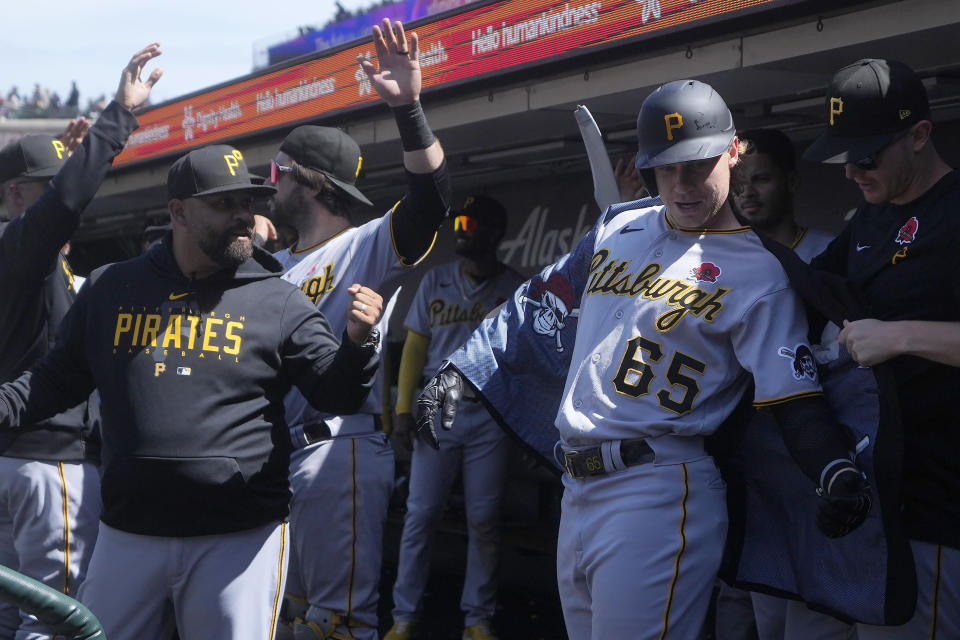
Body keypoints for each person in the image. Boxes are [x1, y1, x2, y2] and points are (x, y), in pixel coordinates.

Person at [416, 79, 872, 640]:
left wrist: (831, 465)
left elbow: (792, 394)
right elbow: (540, 298)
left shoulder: (763, 272)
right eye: (664, 168)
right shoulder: (618, 225)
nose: (680, 184)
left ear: (733, 151)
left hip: (659, 486)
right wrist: (462, 368)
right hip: (577, 484)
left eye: (697, 164)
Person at [267, 18, 450, 640]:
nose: (272, 184)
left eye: (279, 172)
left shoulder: (365, 245)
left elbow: (430, 202)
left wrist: (408, 109)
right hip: (285, 453)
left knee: (336, 622)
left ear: (312, 183)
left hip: (338, 447)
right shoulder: (280, 263)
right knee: (287, 618)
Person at [804, 58, 960, 640]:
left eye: (866, 156)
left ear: (919, 135)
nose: (851, 172)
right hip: (873, 506)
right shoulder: (871, 218)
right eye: (845, 156)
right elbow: (803, 286)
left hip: (939, 512)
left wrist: (896, 336)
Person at [0, 46, 151, 640]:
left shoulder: (26, 255)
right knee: (57, 620)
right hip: (44, 458)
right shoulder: (20, 248)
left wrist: (69, 152)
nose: (56, 198)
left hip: (15, 453)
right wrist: (118, 115)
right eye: (39, 186)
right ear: (14, 194)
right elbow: (63, 204)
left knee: (11, 613)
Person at [715, 128, 855, 640]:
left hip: (812, 444)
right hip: (743, 452)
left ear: (792, 182)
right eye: (738, 181)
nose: (747, 192)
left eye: (762, 178)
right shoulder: (720, 264)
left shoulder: (827, 254)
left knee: (809, 613)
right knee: (748, 602)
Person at [384, 195, 524, 640]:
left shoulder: (516, 289)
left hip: (489, 411)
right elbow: (414, 349)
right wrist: (404, 409)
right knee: (420, 514)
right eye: (458, 221)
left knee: (484, 518)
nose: (460, 228)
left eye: (470, 222)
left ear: (494, 232)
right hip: (437, 404)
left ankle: (477, 619)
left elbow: (524, 363)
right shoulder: (436, 280)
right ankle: (404, 615)